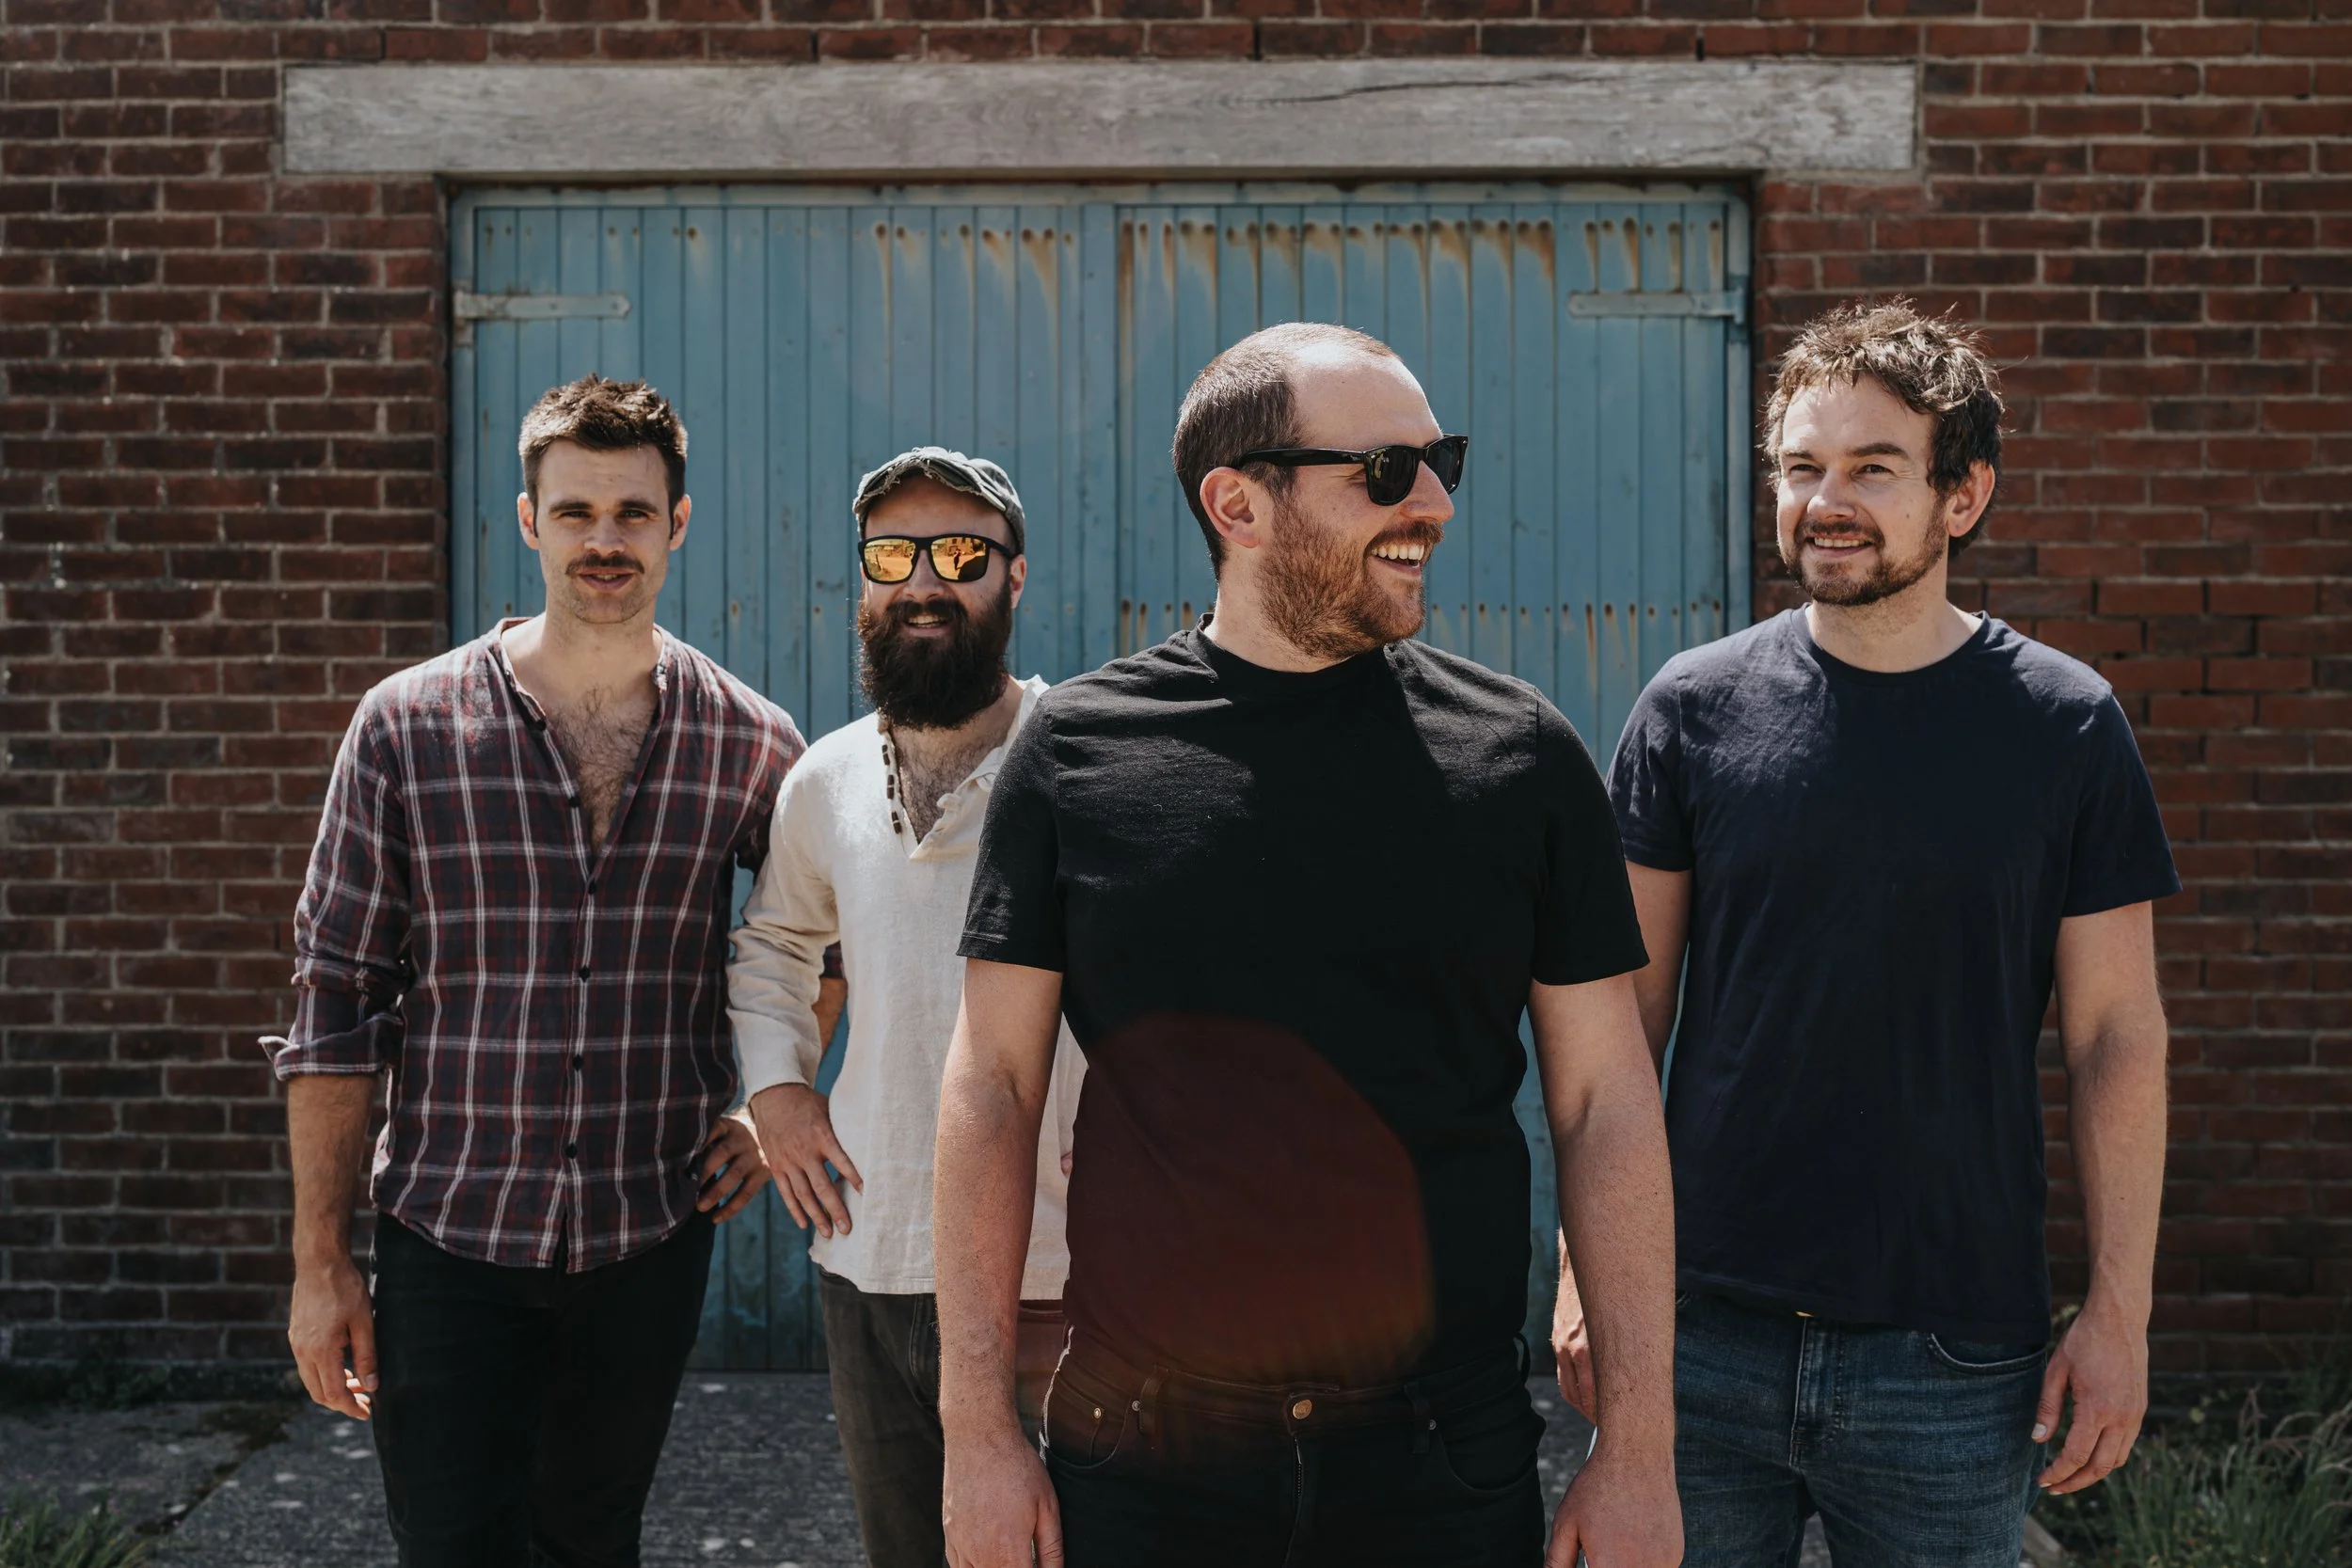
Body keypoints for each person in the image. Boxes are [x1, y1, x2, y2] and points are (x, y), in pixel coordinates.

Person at [933, 322, 1684, 1568]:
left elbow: (1606, 1099)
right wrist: (973, 1428)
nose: (1434, 501)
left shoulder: (1525, 756)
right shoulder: (1075, 751)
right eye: (1383, 471)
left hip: (1441, 1455)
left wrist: (1642, 1450)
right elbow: (992, 1087)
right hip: (1146, 1453)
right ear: (1238, 501)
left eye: (1440, 460)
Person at [1561, 299, 2175, 1566]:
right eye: (1802, 465)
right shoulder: (1694, 707)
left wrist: (2120, 1307)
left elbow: (2116, 1032)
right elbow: (1619, 1026)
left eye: (1872, 467)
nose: (1824, 499)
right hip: (1697, 1331)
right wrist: (1585, 1268)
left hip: (1949, 1353)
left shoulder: (2067, 725)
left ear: (1964, 494)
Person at [266, 375, 802, 1568]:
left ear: (678, 522)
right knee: (452, 1545)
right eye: (575, 512)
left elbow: (813, 935)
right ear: (528, 521)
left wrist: (772, 1106)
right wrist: (319, 1262)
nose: (604, 540)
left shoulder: (755, 742)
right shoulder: (404, 725)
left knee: (592, 1540)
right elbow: (335, 996)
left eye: (631, 511)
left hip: (645, 1236)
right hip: (449, 1232)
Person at [729, 447, 1084, 1568]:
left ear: (1013, 580)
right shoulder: (822, 780)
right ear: (864, 581)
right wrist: (780, 1094)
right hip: (869, 1254)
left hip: (1060, 1262)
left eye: (961, 553)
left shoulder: (1087, 757)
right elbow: (776, 945)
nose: (923, 580)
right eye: (892, 554)